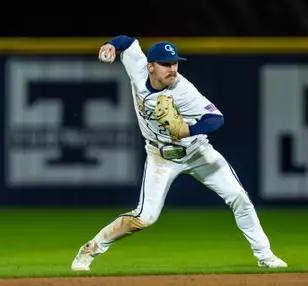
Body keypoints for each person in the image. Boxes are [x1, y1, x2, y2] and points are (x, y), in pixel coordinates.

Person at [71, 35, 288, 271]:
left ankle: (265, 255)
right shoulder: (137, 66)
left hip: (197, 152)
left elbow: (216, 119)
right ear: (150, 66)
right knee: (145, 218)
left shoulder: (183, 90)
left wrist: (188, 129)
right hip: (160, 157)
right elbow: (128, 42)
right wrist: (112, 44)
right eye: (165, 64)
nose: (172, 68)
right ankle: (90, 249)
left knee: (239, 198)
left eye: (175, 63)